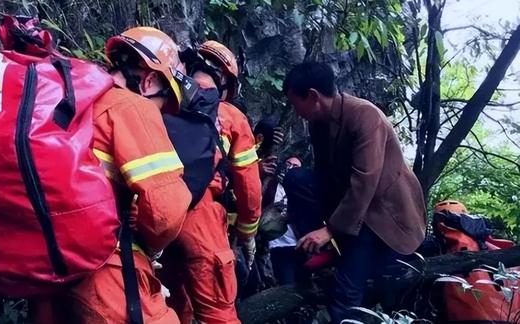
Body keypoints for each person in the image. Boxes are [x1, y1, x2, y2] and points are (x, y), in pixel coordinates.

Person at [32, 26, 192, 324]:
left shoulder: (71, 98)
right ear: (150, 80)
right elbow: (166, 210)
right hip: (103, 271)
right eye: (162, 101)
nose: (159, 111)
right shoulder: (130, 106)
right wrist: (153, 247)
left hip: (46, 269)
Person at [282, 61, 427, 323]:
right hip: (349, 206)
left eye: (296, 104)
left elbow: (365, 181)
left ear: (313, 97)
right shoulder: (319, 122)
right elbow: (324, 174)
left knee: (345, 293)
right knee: (297, 179)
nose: (297, 113)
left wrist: (330, 230)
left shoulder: (365, 116)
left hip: (378, 215)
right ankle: (325, 252)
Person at [160, 40, 261, 324]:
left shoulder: (160, 99)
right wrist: (247, 233)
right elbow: (249, 187)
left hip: (156, 210)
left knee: (170, 305)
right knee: (218, 313)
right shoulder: (230, 116)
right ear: (226, 84)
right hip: (201, 214)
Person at [267, 156, 303, 285]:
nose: (290, 168)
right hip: (277, 245)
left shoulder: (302, 191)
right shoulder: (270, 185)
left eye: (295, 167)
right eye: (288, 164)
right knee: (287, 284)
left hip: (299, 244)